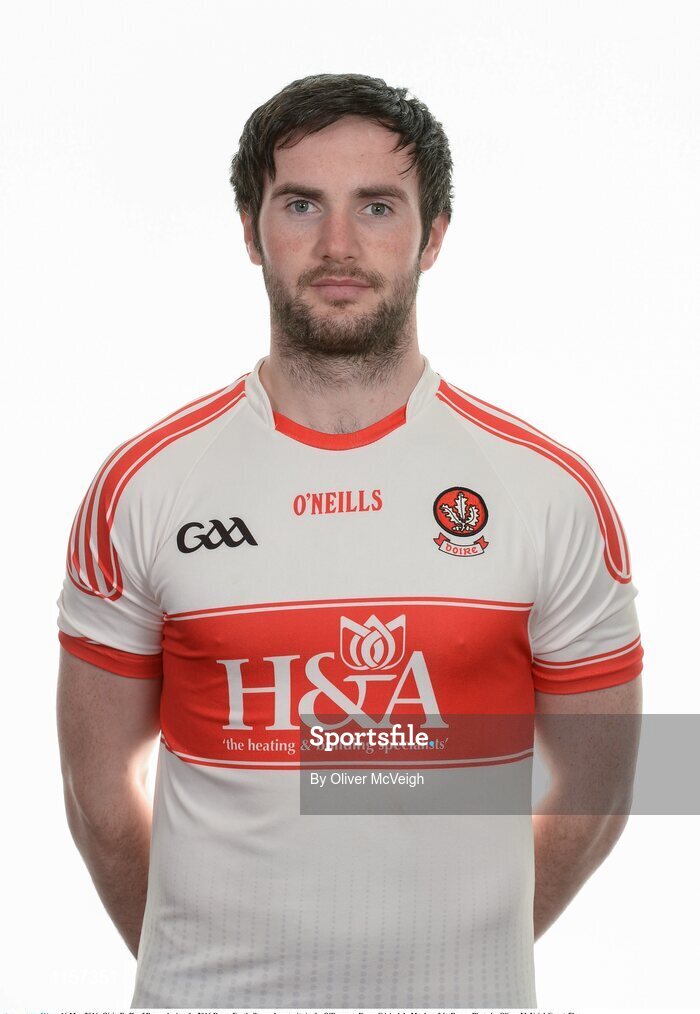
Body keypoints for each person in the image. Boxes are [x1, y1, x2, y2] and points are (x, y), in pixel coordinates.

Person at [56, 72, 643, 1008]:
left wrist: (451, 963)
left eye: (377, 205)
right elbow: (98, 796)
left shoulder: (548, 493)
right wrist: (202, 969)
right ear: (251, 231)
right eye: (300, 204)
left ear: (434, 233)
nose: (338, 245)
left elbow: (599, 790)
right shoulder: (145, 488)